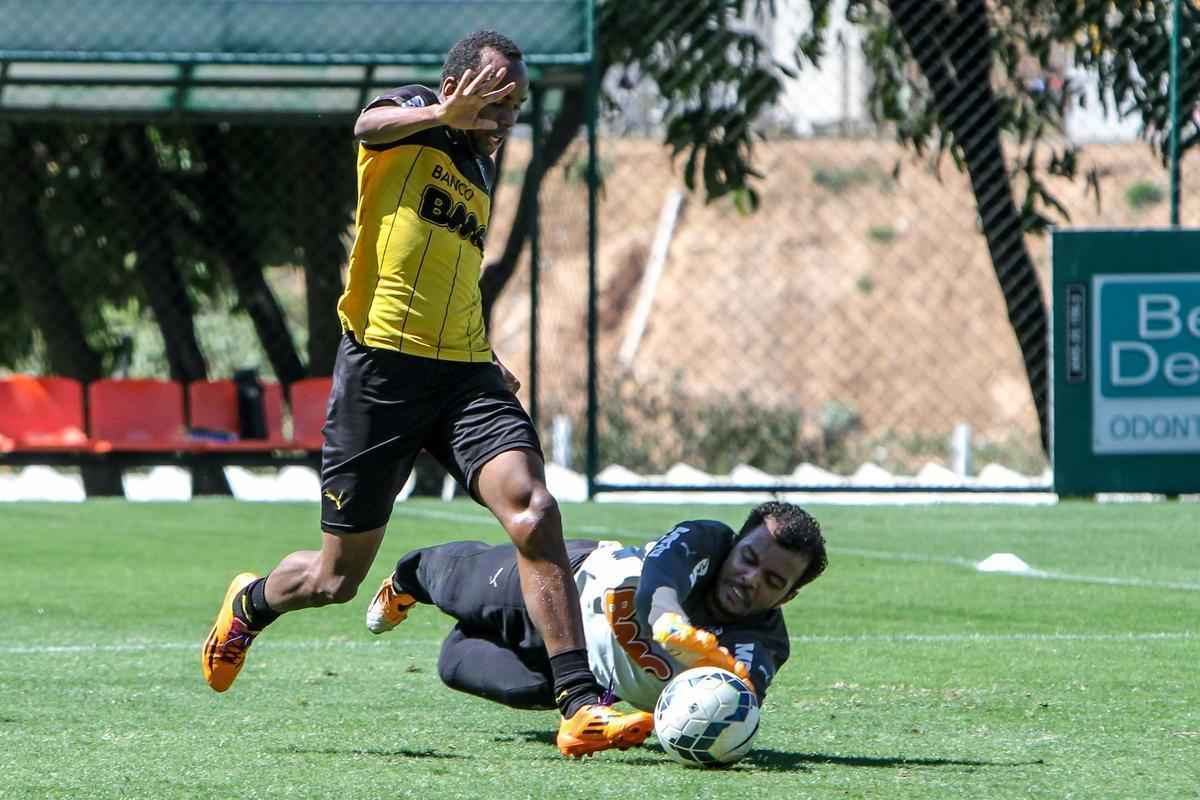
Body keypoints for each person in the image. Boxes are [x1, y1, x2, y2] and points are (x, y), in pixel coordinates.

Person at [201, 30, 652, 758]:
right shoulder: (412, 120)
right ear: (459, 85)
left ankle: (579, 702)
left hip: (463, 374)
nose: (508, 113)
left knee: (534, 511)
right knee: (334, 577)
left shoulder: (478, 167)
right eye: (497, 97)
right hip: (380, 376)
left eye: (517, 103)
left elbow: (445, 276)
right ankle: (251, 603)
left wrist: (488, 356)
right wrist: (445, 109)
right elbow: (365, 124)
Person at [372, 502, 828, 719]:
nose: (751, 580)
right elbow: (661, 580)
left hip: (580, 673)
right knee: (454, 583)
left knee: (455, 664)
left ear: (786, 598)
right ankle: (406, 581)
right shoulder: (707, 539)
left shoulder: (763, 642)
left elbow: (737, 700)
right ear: (735, 543)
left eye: (773, 581)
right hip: (565, 583)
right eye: (750, 559)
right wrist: (671, 624)